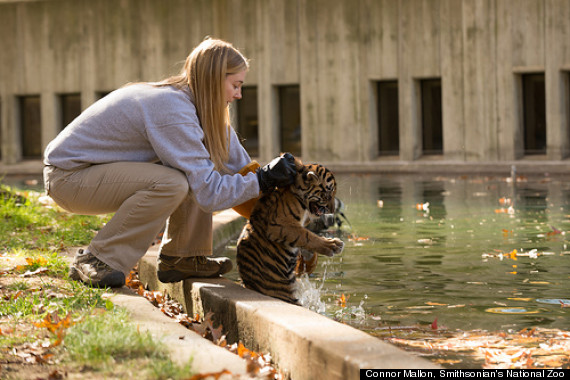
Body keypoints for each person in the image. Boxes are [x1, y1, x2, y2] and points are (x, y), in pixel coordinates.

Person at [43, 37, 296, 288]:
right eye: (236, 85)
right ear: (214, 79)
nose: (239, 95)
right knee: (174, 182)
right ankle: (98, 258)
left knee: (194, 171)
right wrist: (264, 179)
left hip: (93, 174)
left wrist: (292, 225)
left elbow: (241, 171)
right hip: (68, 177)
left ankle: (183, 257)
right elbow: (210, 194)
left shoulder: (201, 112)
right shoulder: (172, 110)